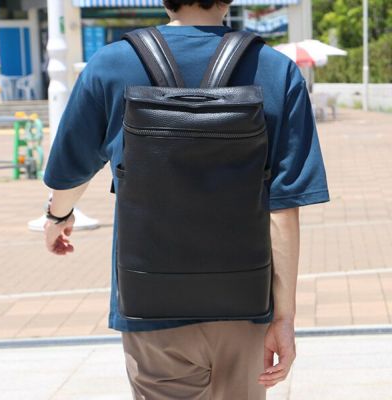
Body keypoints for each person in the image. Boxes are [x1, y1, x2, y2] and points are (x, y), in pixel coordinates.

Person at [43, 0, 330, 398]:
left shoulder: (111, 64)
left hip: (149, 299)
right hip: (245, 302)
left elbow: (71, 169)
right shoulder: (275, 69)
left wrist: (58, 217)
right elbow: (282, 209)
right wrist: (284, 317)